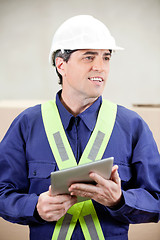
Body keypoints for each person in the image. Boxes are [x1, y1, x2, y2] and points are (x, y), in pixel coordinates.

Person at [0, 15, 159, 240]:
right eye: (88, 57)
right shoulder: (27, 125)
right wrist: (34, 207)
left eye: (106, 57)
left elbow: (156, 199)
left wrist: (120, 200)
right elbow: (2, 192)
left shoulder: (132, 126)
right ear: (61, 64)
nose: (100, 67)